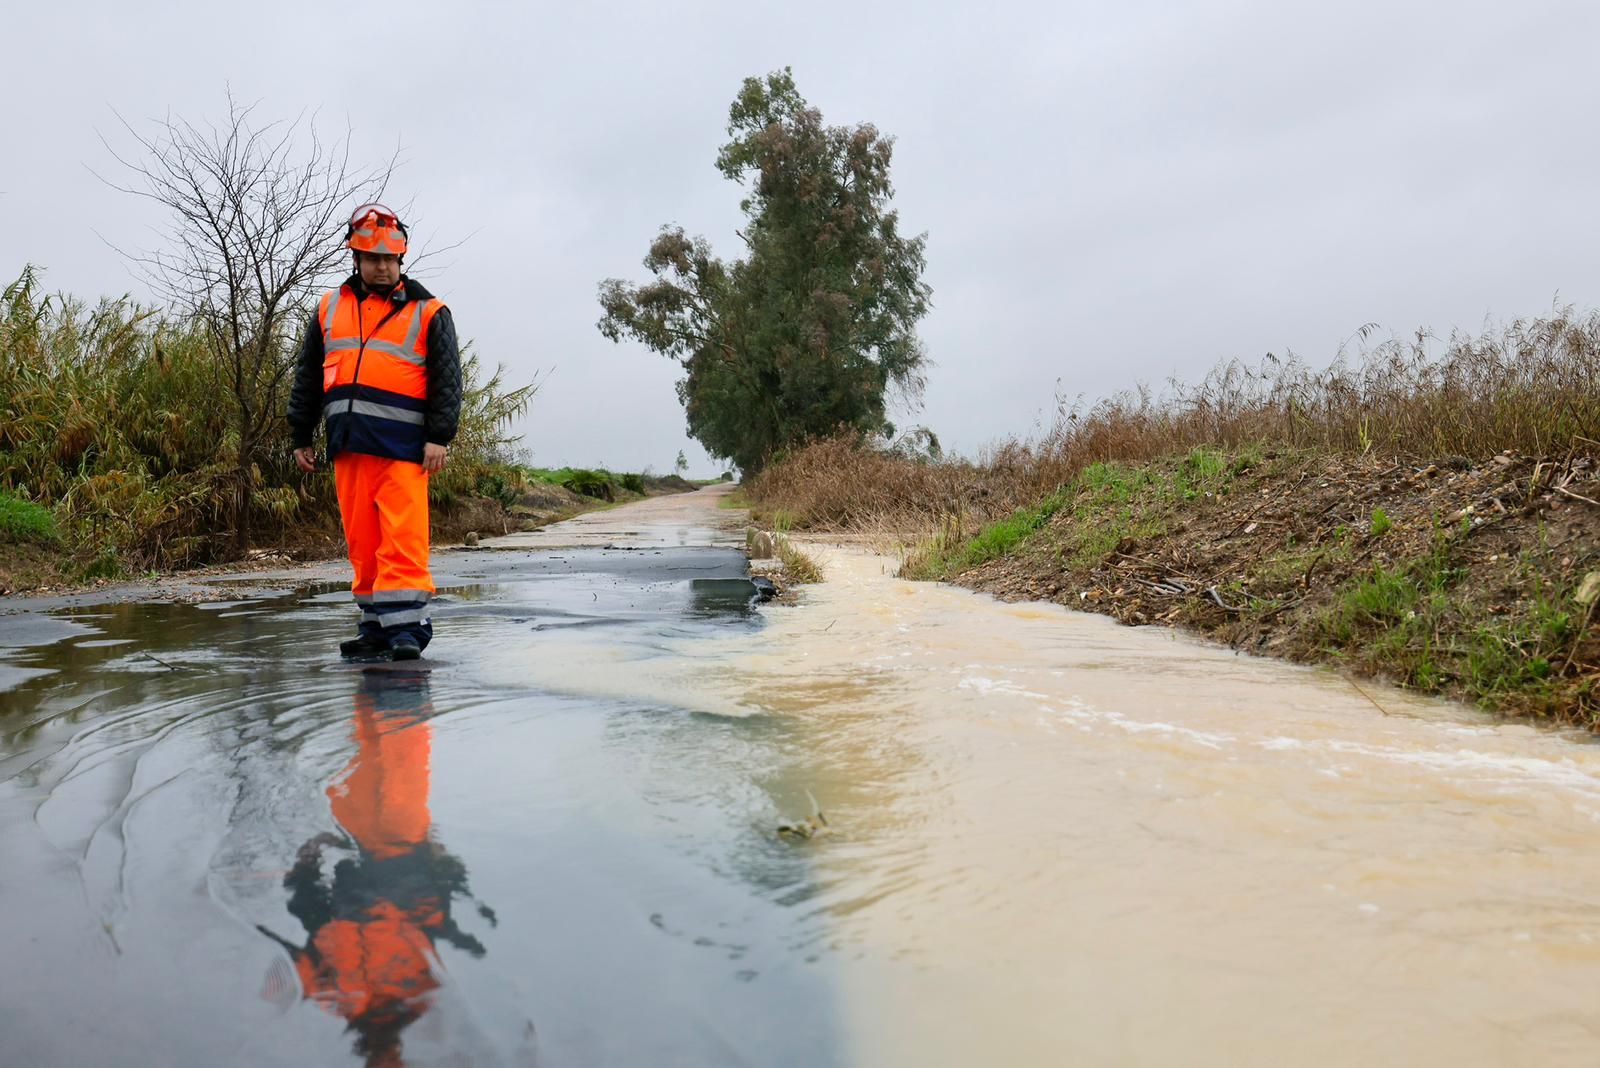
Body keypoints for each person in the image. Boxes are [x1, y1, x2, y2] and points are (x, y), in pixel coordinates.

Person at [287, 204, 461, 660]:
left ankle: (407, 630)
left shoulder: (429, 312)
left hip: (405, 450)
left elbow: (447, 380)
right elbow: (307, 376)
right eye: (372, 259)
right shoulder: (329, 309)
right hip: (349, 447)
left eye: (389, 260)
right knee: (363, 545)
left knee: (402, 542)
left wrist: (440, 437)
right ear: (356, 259)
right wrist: (300, 436)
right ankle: (375, 628)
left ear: (401, 260)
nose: (381, 267)